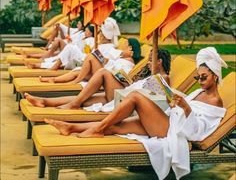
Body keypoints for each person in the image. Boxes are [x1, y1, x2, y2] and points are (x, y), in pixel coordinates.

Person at [43, 47, 227, 180]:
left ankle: (98, 128)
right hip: (169, 121)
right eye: (198, 77)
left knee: (136, 97)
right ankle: (71, 127)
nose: (200, 81)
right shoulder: (199, 93)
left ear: (215, 76)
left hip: (173, 130)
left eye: (203, 77)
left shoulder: (215, 101)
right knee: (117, 126)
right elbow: (185, 109)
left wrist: (185, 108)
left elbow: (197, 132)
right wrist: (176, 102)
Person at [24, 37, 143, 109]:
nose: (121, 47)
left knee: (93, 62)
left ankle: (76, 84)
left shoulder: (129, 63)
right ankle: (44, 101)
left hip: (112, 90)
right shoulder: (121, 58)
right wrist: (103, 58)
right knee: (80, 99)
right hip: (109, 91)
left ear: (131, 49)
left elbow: (123, 79)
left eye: (125, 46)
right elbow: (111, 64)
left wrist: (108, 66)